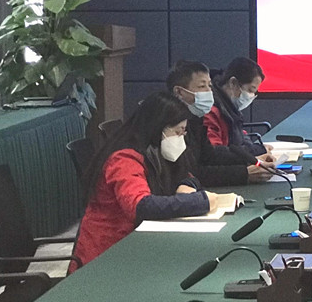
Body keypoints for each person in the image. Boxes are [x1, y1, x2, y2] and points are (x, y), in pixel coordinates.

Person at [72, 92, 236, 269]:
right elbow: (141, 207)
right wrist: (200, 202)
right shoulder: (124, 159)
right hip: (106, 256)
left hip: (139, 246)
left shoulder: (159, 152)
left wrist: (186, 185)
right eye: (178, 131)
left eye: (184, 131)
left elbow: (189, 176)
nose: (181, 137)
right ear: (158, 129)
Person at [167, 60, 272, 186]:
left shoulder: (196, 118)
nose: (209, 91)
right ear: (179, 92)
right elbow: (192, 173)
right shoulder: (169, 124)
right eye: (202, 87)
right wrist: (244, 173)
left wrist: (251, 160)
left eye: (209, 86)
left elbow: (210, 156)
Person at [204, 56, 268, 156]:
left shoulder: (229, 108)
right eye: (250, 90)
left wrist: (254, 149)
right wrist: (256, 151)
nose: (251, 96)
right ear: (233, 83)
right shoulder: (211, 111)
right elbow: (216, 153)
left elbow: (240, 137)